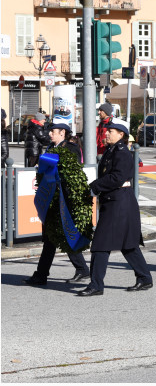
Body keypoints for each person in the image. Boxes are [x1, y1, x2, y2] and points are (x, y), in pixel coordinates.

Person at [78, 118, 153, 296]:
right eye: (107, 130)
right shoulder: (111, 150)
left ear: (121, 134)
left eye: (111, 131)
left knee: (100, 244)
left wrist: (94, 187)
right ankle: (144, 278)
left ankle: (96, 285)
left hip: (119, 202)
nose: (107, 132)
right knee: (128, 244)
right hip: (116, 201)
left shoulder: (122, 152)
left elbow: (117, 178)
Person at [22, 118, 90, 286]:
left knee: (62, 236)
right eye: (50, 131)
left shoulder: (71, 149)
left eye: (53, 131)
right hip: (52, 199)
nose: (50, 133)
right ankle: (42, 274)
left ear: (63, 133)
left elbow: (71, 175)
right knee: (51, 239)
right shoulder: (51, 148)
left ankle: (79, 270)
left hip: (63, 200)